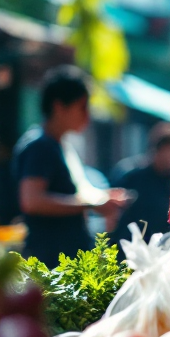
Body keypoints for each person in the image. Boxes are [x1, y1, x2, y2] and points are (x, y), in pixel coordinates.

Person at [13, 66, 127, 263]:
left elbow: (72, 195)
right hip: (49, 264)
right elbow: (32, 201)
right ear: (59, 107)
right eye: (82, 107)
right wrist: (92, 204)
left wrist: (103, 199)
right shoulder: (40, 146)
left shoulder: (61, 146)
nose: (87, 115)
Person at [111, 121, 170, 239]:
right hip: (128, 246)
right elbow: (112, 212)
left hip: (161, 247)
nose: (167, 158)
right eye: (165, 151)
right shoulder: (131, 174)